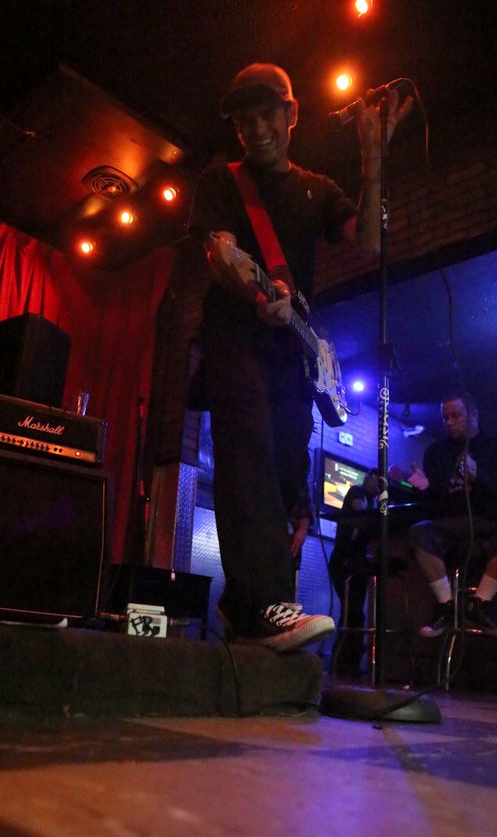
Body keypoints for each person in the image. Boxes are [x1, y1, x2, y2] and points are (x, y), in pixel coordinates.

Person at [188, 62, 412, 651]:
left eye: (267, 115)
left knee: (287, 468)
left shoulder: (316, 188)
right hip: (235, 337)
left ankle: (251, 608)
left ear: (292, 114)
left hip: (293, 352)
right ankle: (263, 604)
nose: (256, 129)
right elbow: (221, 253)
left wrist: (372, 159)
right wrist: (257, 295)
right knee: (248, 451)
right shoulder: (220, 181)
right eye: (244, 120)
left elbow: (369, 242)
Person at [409, 392, 497, 636]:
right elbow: (434, 504)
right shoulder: (437, 452)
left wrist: (478, 478)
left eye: (456, 416)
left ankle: (480, 604)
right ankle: (446, 607)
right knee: (419, 533)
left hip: (488, 521)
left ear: (474, 415)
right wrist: (424, 488)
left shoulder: (492, 448)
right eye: (445, 417)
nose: (448, 422)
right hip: (450, 525)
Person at [328, 468, 379, 675]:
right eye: (377, 482)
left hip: (350, 561)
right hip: (345, 561)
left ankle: (345, 662)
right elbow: (360, 516)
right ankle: (344, 663)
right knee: (353, 611)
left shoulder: (370, 500)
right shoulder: (357, 492)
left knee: (353, 611)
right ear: (370, 478)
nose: (379, 487)